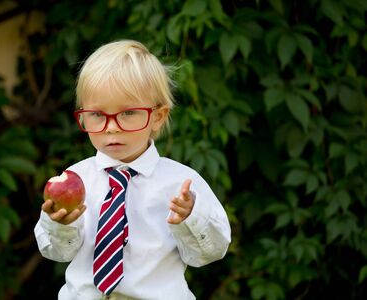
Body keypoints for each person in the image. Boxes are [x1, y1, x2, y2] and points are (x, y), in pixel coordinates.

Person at [34, 39, 231, 300]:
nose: (111, 127)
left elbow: (209, 252)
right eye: (97, 115)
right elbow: (57, 253)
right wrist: (60, 224)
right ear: (82, 115)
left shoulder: (182, 184)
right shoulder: (77, 179)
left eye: (127, 113)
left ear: (157, 116)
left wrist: (191, 216)